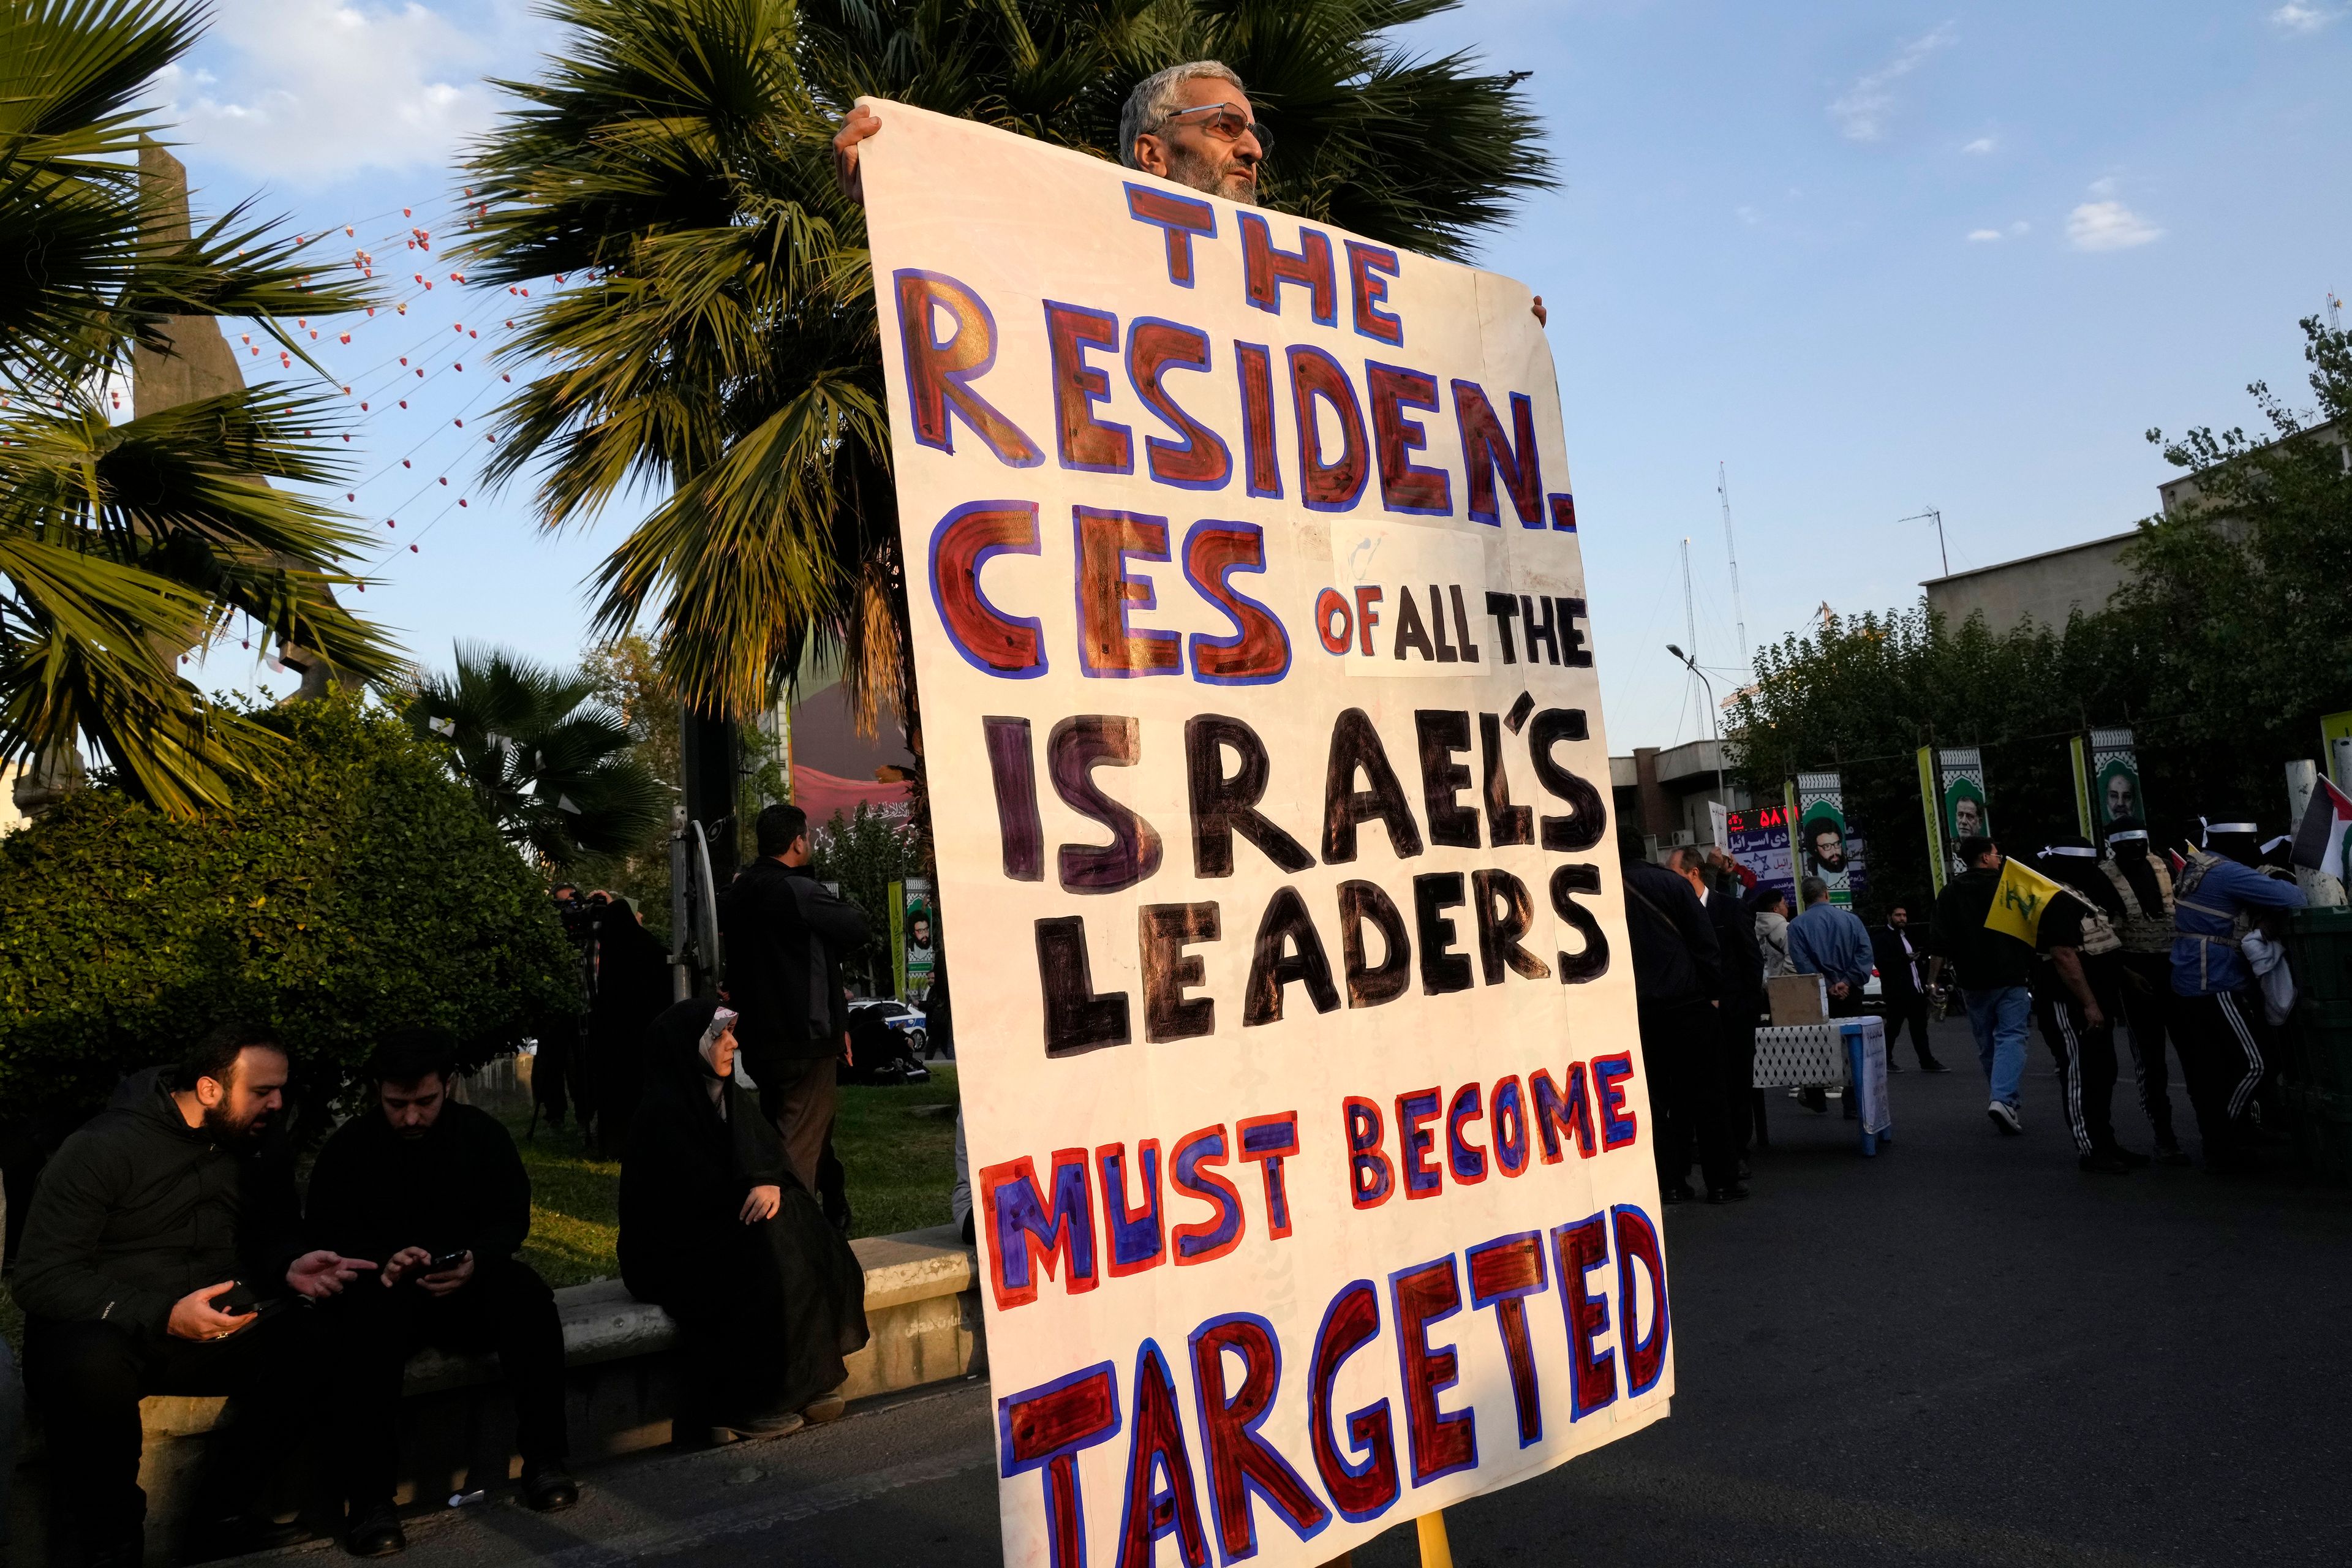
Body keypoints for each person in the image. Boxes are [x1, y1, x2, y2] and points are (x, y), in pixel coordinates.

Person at [14, 1025, 375, 1566]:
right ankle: (111, 1546)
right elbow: (41, 1275)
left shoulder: (257, 1144)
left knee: (321, 1338)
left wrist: (290, 1265)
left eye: (281, 1090)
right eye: (262, 1092)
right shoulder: (100, 1147)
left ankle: (220, 1518)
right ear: (210, 1090)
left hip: (211, 1327)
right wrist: (159, 1313)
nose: (277, 1104)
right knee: (88, 1365)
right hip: (108, 1326)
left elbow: (272, 1231)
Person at [830, 62, 1556, 322]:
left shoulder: (1306, 292)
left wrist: (1488, 337)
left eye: (1254, 135)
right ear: (1153, 152)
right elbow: (986, 281)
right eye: (1226, 126)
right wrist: (895, 194)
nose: (1250, 147)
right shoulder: (1075, 256)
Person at [305, 1035, 576, 1556]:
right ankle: (370, 1502)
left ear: (448, 1087)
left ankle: (545, 1461)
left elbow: (510, 1219)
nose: (411, 1118)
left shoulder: (482, 1135)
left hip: (467, 1285)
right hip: (385, 1294)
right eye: (397, 1104)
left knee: (529, 1299)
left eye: (424, 1103)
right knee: (360, 1331)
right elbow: (327, 1233)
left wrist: (476, 1259)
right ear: (376, 1093)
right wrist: (384, 1260)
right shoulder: (350, 1150)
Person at [620, 1000, 869, 1442]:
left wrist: (767, 1182)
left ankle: (809, 1379)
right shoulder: (660, 1115)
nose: (732, 1044)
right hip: (671, 1250)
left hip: (723, 1228)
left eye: (732, 1033)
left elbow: (767, 1163)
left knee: (797, 1217)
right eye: (719, 1036)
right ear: (687, 1048)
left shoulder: (728, 1099)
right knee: (769, 1239)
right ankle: (751, 1402)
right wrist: (756, 1190)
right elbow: (682, 1205)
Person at [718, 804, 873, 1194]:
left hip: (757, 1042)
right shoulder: (798, 890)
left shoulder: (739, 892)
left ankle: (832, 1200)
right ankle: (789, 1234)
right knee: (798, 1148)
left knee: (784, 1130)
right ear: (797, 842)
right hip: (804, 1041)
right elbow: (857, 928)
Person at [2168, 815, 2306, 1171]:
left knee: (2218, 1067)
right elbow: (2296, 896)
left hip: (2193, 978)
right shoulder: (2228, 872)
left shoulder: (2200, 865)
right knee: (2256, 1063)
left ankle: (2237, 1132)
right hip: (2217, 981)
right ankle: (2222, 1137)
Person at [1621, 851, 1740, 1204]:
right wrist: (1713, 992)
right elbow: (1704, 941)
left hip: (1637, 1009)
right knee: (1709, 1094)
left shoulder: (1596, 885)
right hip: (1687, 1002)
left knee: (1654, 1100)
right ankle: (1721, 1182)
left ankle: (1670, 1182)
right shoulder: (1671, 883)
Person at [2030, 839, 2137, 1175]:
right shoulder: (2058, 899)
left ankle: (2106, 1142)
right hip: (2070, 1004)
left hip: (2096, 1001)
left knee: (2103, 1073)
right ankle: (2091, 1150)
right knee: (2080, 1075)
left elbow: (2096, 946)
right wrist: (2089, 1004)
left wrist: (2125, 975)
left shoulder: (2079, 894)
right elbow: (2064, 955)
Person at [1926, 838, 2037, 1134]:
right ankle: (2003, 1099)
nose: (2000, 859)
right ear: (1985, 858)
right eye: (1997, 854)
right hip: (2010, 974)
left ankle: (2004, 1100)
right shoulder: (2008, 886)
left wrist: (1932, 979)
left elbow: (1939, 942)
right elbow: (2030, 928)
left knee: (1987, 1042)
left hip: (1972, 979)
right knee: (2012, 1036)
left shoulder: (1950, 893)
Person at [2096, 818, 2189, 1164]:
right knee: (2151, 1064)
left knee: (2196, 1057)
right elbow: (2101, 934)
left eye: (2140, 843)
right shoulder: (2101, 877)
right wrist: (2123, 973)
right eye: (2126, 846)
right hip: (2136, 976)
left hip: (2177, 969)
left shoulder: (2166, 865)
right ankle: (2165, 1138)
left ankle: (2217, 1137)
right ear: (2114, 847)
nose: (2135, 851)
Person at [1671, 848, 1763, 1169]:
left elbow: (1752, 960)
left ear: (1693, 873)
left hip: (1734, 1013)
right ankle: (1713, 1150)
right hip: (1696, 1015)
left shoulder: (1730, 908)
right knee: (1704, 1085)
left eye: (1676, 874)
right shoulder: (1676, 914)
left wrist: (1747, 1006)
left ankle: (1738, 1150)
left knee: (1737, 1083)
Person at [1870, 904, 1948, 1071]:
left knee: (1920, 1028)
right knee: (1893, 1028)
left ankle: (1926, 1061)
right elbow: (1881, 962)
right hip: (1897, 992)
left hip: (1916, 990)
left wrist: (1926, 985)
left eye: (1904, 915)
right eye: (1898, 915)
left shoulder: (1909, 936)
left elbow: (1918, 963)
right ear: (1889, 917)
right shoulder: (1882, 937)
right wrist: (1904, 959)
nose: (1902, 919)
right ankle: (1885, 1060)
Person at [1786, 876, 1872, 1017]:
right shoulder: (1852, 920)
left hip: (1821, 997)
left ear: (1804, 899)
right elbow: (1865, 953)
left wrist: (1826, 985)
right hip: (1852, 993)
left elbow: (1802, 962)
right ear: (1826, 894)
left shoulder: (1796, 926)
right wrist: (1847, 981)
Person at [1752, 886, 1793, 979]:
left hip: (1762, 986)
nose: (1787, 906)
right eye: (1784, 903)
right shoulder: (1786, 929)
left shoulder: (1755, 930)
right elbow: (1792, 960)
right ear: (1775, 909)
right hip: (1783, 986)